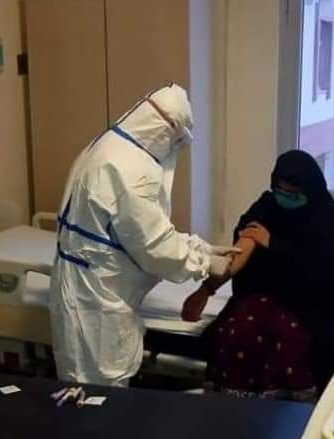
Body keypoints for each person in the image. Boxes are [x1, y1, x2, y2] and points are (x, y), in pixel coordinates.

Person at [49, 83, 236, 387]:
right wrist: (203, 262)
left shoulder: (107, 145)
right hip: (99, 299)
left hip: (83, 283)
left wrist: (202, 247)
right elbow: (154, 247)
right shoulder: (132, 171)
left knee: (80, 384)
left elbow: (129, 229)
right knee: (101, 392)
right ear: (166, 131)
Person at [182, 150, 334, 400]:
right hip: (267, 294)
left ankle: (288, 413)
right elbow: (239, 253)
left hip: (315, 304)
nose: (285, 198)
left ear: (311, 189)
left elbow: (328, 274)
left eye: (293, 194)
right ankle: (229, 410)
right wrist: (205, 291)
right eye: (281, 191)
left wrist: (273, 244)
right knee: (238, 331)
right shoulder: (267, 207)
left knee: (292, 339)